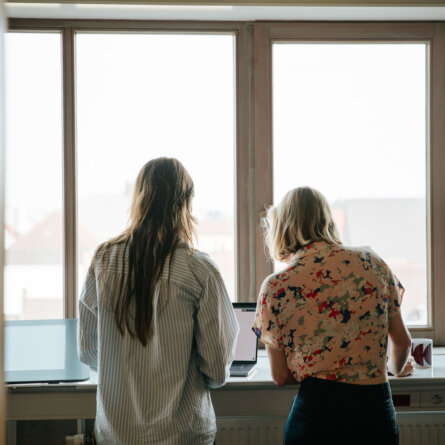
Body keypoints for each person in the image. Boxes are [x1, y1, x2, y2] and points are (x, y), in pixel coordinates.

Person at [78, 157, 239, 445]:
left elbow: (89, 351)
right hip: (183, 435)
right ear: (186, 204)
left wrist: (126, 369)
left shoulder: (103, 260)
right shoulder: (200, 271)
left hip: (117, 434)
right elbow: (216, 369)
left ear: (138, 199)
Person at [253, 186, 414, 445]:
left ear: (283, 227)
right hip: (374, 414)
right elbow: (403, 343)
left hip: (316, 419)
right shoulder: (373, 262)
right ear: (326, 219)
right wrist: (392, 369)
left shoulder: (276, 286)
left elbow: (280, 375)